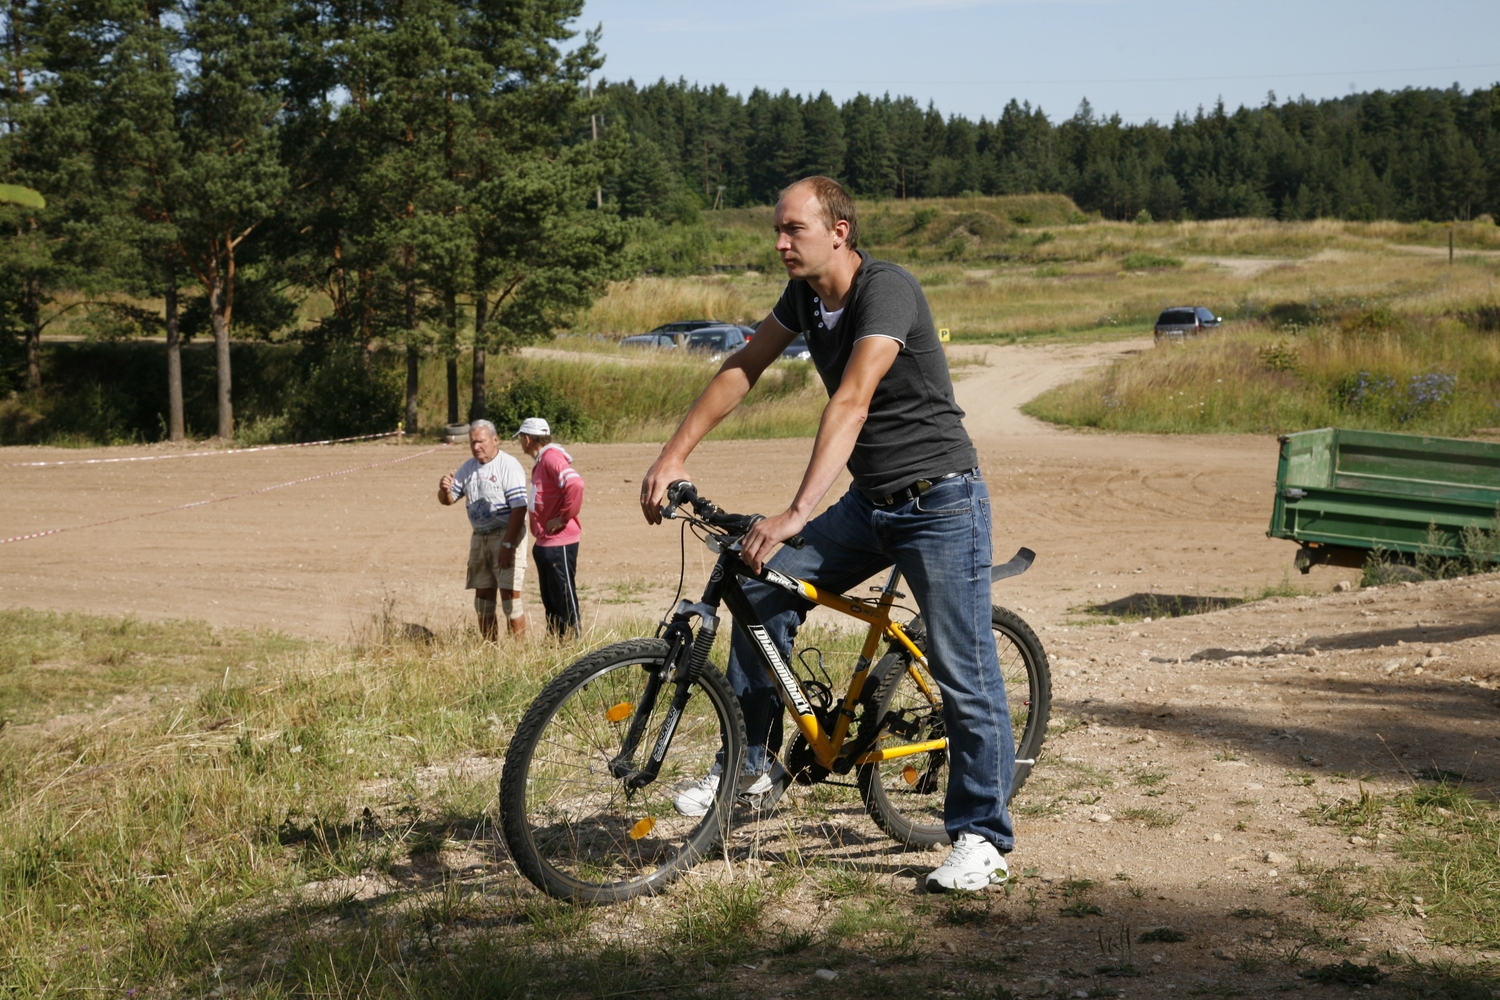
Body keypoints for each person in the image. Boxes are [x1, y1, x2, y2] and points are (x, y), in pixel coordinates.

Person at [639, 176, 1014, 892]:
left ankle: (982, 837)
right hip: (871, 503)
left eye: (793, 229)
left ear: (838, 230)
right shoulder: (807, 300)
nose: (780, 243)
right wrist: (673, 453)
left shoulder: (886, 290)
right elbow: (744, 366)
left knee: (964, 671)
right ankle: (749, 764)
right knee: (758, 583)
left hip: (941, 502)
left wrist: (798, 510)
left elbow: (853, 399)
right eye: (776, 230)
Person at [439, 419, 528, 640]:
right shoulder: (468, 468)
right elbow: (449, 500)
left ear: (495, 440)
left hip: (506, 536)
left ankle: (520, 653)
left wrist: (508, 545)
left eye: (480, 441)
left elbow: (519, 508)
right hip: (480, 539)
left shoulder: (509, 466)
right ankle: (490, 649)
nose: (476, 446)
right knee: (483, 598)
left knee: (510, 599)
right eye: (472, 442)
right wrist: (444, 490)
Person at [515, 417, 585, 637]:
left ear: (527, 439)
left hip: (559, 541)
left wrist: (563, 518)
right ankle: (556, 639)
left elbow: (575, 483)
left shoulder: (551, 458)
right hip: (546, 542)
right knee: (551, 596)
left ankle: (572, 638)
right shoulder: (543, 460)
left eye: (520, 438)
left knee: (563, 594)